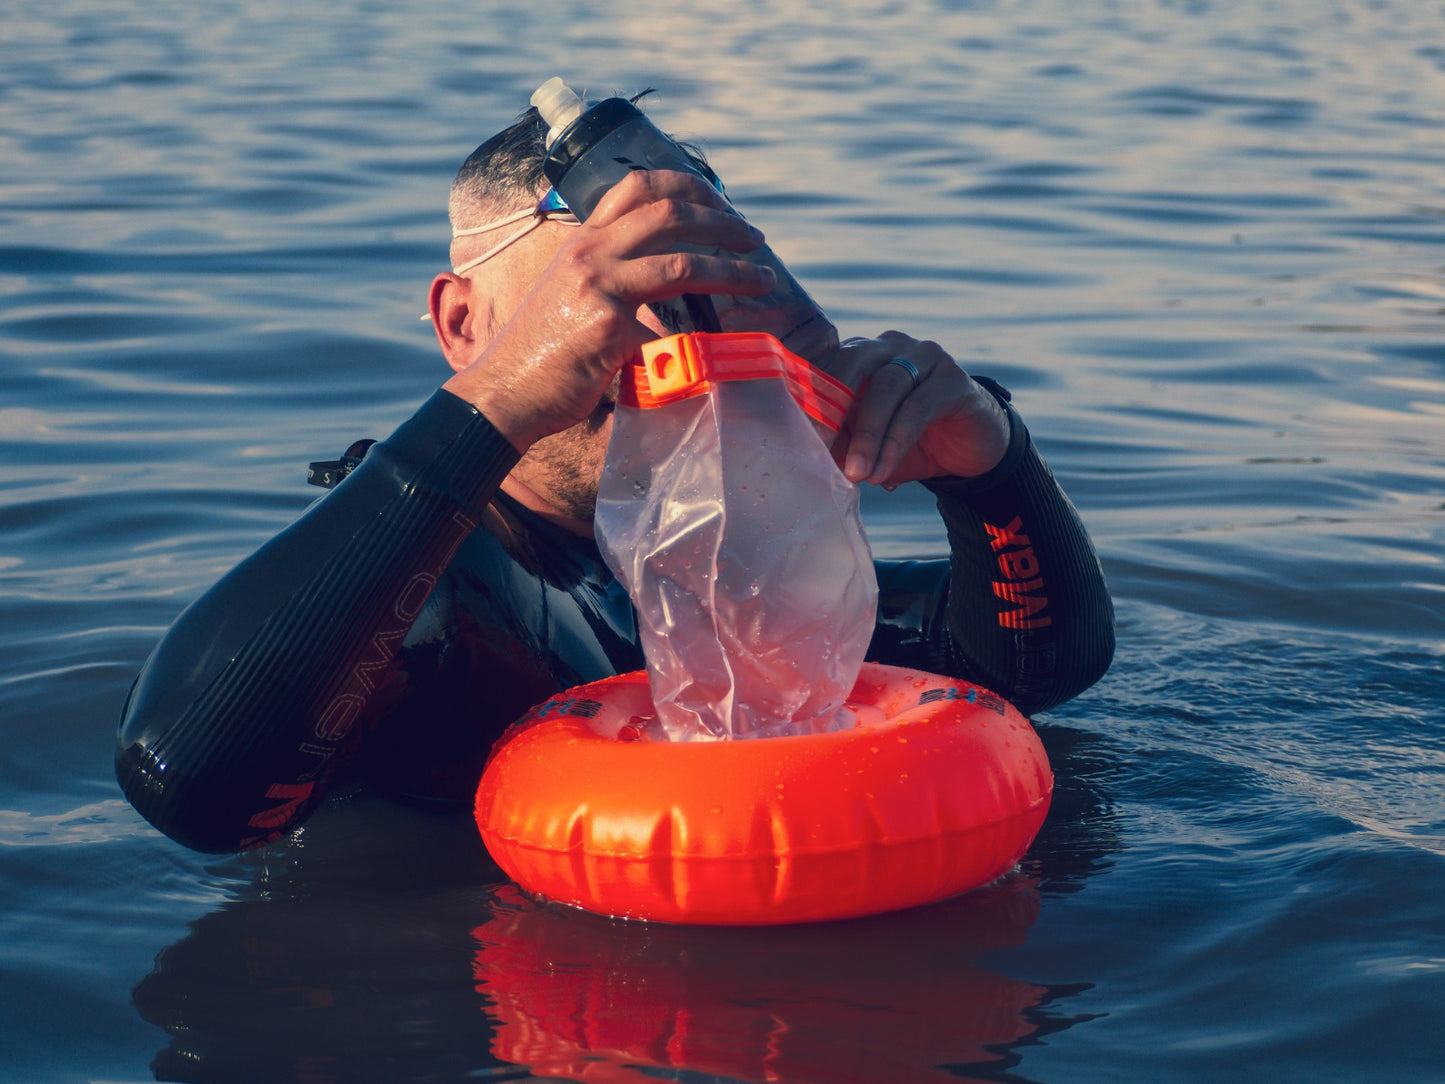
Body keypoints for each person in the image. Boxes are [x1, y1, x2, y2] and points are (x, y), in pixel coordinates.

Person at [115, 101, 1115, 854]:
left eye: (695, 300)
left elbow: (1034, 671)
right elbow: (190, 780)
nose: (657, 345)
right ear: (463, 325)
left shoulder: (731, 569)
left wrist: (991, 471)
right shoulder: (433, 588)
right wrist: (504, 402)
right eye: (608, 296)